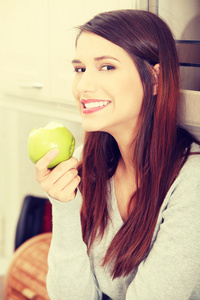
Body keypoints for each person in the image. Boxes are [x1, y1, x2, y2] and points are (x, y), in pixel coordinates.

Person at [35, 9, 200, 300]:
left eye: (107, 67)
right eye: (80, 69)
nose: (83, 86)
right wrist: (64, 206)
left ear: (155, 78)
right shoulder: (92, 162)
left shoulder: (192, 182)